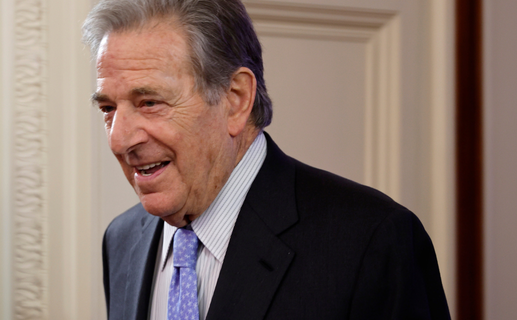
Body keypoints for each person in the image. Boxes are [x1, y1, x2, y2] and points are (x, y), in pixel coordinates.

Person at [83, 0, 451, 319]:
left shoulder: (372, 241)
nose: (119, 138)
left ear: (236, 99)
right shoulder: (122, 239)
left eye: (150, 102)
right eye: (108, 108)